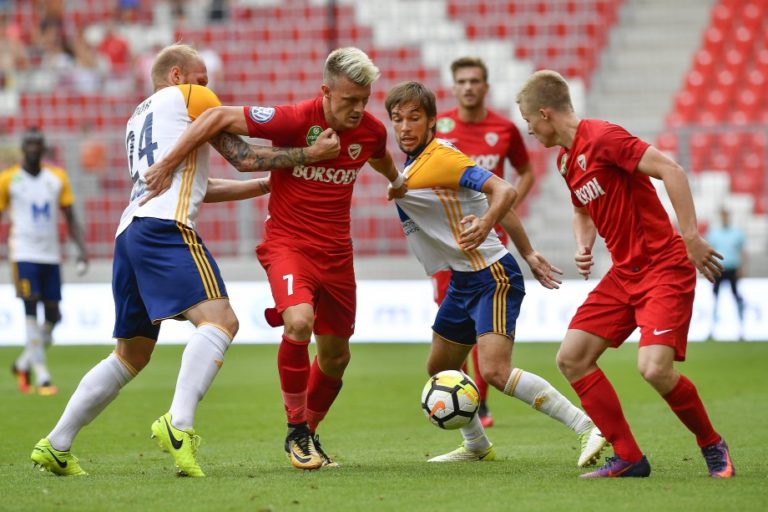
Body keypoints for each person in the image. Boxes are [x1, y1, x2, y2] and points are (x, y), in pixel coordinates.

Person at [28, 43, 340, 477]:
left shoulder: (139, 118)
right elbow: (245, 156)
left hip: (131, 232)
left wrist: (266, 185)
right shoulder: (192, 99)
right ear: (177, 75)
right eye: (201, 78)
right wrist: (309, 155)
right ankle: (180, 424)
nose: (209, 87)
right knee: (221, 321)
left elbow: (198, 185)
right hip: (165, 228)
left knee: (130, 355)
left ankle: (56, 444)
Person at [141, 47, 407, 471]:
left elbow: (378, 153)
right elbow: (216, 117)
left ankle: (308, 434)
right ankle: (296, 430)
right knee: (298, 322)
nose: (358, 109)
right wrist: (169, 163)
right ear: (326, 92)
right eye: (349, 100)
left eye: (364, 99)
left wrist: (396, 180)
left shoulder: (371, 130)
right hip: (289, 245)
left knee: (336, 356)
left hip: (338, 254)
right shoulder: (295, 119)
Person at [516, 70, 734, 478]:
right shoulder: (566, 161)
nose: (529, 130)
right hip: (624, 274)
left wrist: (690, 236)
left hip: (662, 266)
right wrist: (584, 245)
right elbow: (582, 210)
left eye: (528, 120)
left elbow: (672, 170)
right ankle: (629, 457)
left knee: (654, 369)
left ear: (544, 114)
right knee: (572, 359)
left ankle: (712, 444)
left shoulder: (603, 137)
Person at [385, 81, 606, 466]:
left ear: (433, 121)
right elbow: (485, 199)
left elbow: (503, 191)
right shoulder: (414, 164)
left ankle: (588, 425)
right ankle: (476, 445)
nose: (405, 127)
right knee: (439, 367)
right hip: (463, 279)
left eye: (414, 118)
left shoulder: (441, 158)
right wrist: (529, 252)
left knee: (494, 371)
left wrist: (488, 225)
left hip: (493, 277)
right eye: (397, 119)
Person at [433, 56, 537, 428]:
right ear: (453, 86)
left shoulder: (504, 128)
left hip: (491, 241)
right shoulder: (439, 128)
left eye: (474, 80)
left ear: (485, 86)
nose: (468, 87)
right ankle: (462, 394)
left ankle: (481, 401)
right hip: (448, 243)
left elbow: (526, 172)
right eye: (462, 81)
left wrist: (505, 207)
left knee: (484, 323)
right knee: (451, 327)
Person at [0, 127, 88, 396]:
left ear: (43, 147)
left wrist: (81, 248)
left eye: (37, 144)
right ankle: (43, 376)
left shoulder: (56, 177)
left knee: (53, 315)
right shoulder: (8, 180)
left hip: (51, 255)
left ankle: (23, 364)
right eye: (29, 144)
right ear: (22, 148)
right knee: (30, 309)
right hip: (23, 254)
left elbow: (70, 215)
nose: (33, 148)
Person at [706, 208, 746, 341]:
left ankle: (741, 329)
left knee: (736, 297)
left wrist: (742, 268)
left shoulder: (737, 233)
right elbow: (708, 251)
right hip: (718, 269)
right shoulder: (714, 233)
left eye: (726, 215)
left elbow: (742, 251)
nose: (724, 218)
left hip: (732, 268)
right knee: (715, 298)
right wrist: (709, 268)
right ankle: (711, 330)